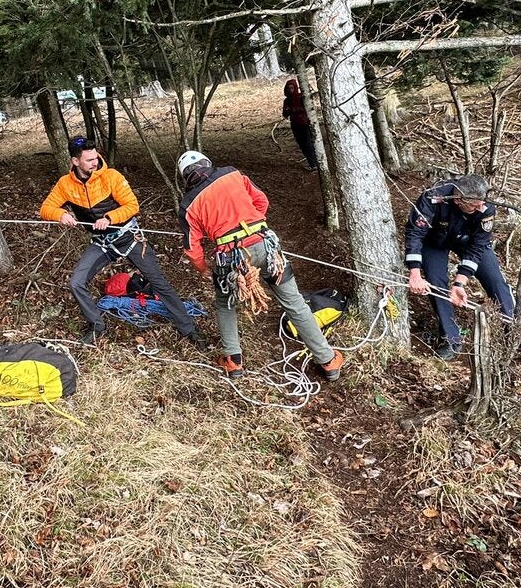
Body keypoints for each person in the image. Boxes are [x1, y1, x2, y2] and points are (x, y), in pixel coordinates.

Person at [176, 151, 344, 381]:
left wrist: (203, 267)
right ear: (207, 164)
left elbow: (191, 246)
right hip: (265, 245)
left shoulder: (188, 204)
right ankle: (327, 360)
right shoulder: (232, 174)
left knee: (226, 305)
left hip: (229, 256)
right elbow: (261, 201)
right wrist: (253, 225)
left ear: (185, 177)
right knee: (294, 302)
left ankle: (233, 362)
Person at [39, 136, 205, 347]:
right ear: (75, 161)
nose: (95, 162)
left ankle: (189, 329)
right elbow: (46, 208)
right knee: (76, 283)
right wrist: (60, 215)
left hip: (129, 237)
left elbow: (132, 205)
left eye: (96, 157)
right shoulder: (65, 185)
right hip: (101, 243)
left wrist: (109, 218)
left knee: (159, 282)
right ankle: (97, 326)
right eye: (89, 159)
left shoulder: (111, 176)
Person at [405, 174, 521, 360]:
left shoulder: (485, 206)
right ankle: (451, 338)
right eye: (474, 205)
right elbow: (415, 233)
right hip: (435, 240)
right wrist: (414, 272)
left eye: (482, 203)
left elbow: (478, 247)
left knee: (496, 280)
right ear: (458, 200)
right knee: (435, 281)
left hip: (468, 240)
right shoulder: (433, 197)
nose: (481, 207)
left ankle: (516, 334)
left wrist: (460, 283)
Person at [281, 78, 317, 170]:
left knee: (308, 144)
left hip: (304, 124)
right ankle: (311, 162)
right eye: (289, 88)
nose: (290, 90)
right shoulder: (287, 101)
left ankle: (314, 164)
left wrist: (294, 110)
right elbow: (285, 114)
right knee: (301, 145)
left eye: (292, 88)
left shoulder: (301, 97)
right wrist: (286, 111)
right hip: (295, 125)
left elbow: (307, 108)